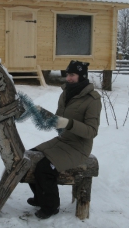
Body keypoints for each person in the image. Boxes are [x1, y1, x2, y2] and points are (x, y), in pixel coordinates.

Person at [28, 60, 102, 219]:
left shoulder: (93, 100)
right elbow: (59, 120)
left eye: (72, 75)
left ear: (81, 76)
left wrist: (68, 124)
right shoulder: (65, 93)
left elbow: (91, 131)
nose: (68, 78)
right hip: (63, 140)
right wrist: (45, 115)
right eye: (67, 74)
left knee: (44, 168)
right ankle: (41, 196)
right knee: (30, 157)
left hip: (79, 147)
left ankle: (50, 206)